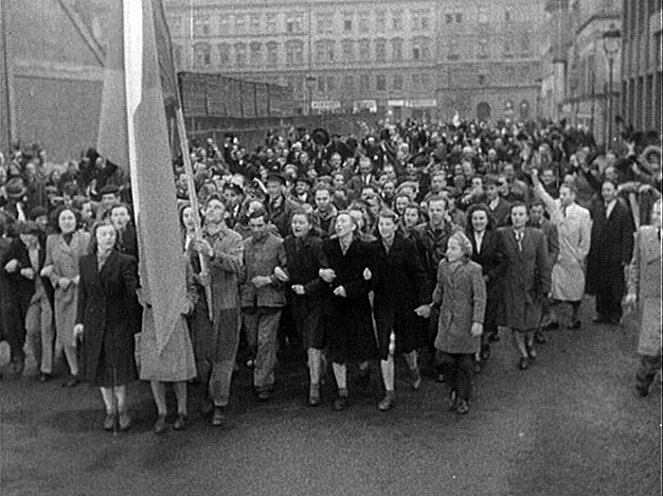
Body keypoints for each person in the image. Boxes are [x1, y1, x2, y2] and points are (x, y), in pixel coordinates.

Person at [74, 219, 139, 431]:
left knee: (118, 369)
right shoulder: (85, 262)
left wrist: (134, 326)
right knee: (101, 368)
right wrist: (79, 322)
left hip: (117, 322)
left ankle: (122, 409)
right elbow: (83, 294)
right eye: (103, 234)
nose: (108, 238)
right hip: (93, 323)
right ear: (96, 238)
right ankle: (109, 411)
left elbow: (131, 294)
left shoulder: (125, 261)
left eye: (111, 234)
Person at [417, 231, 486, 415]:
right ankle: (453, 389)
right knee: (446, 360)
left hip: (466, 320)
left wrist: (478, 321)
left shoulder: (474, 269)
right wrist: (431, 305)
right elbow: (439, 288)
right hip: (447, 319)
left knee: (464, 364)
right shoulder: (443, 266)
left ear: (464, 251)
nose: (449, 251)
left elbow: (480, 298)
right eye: (448, 247)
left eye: (454, 248)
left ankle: (463, 398)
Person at [191, 197, 244, 426]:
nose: (212, 211)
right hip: (204, 305)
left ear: (225, 213)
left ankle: (220, 403)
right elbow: (188, 269)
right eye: (209, 207)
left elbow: (237, 266)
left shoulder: (234, 238)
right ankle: (206, 394)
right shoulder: (196, 239)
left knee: (224, 357)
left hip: (227, 304)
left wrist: (213, 255)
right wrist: (198, 278)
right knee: (203, 357)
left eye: (217, 207)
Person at [371, 209, 429, 411]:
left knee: (407, 346)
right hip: (383, 305)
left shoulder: (406, 246)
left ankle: (414, 370)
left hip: (405, 304)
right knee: (386, 348)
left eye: (388, 224)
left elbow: (419, 275)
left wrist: (424, 302)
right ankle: (389, 392)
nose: (384, 228)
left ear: (395, 226)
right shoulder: (374, 248)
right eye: (381, 224)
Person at [320, 211, 377, 411]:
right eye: (337, 221)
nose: (339, 225)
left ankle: (364, 370)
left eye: (344, 221)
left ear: (354, 226)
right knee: (337, 350)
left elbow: (370, 281)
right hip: (335, 305)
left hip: (357, 305)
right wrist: (322, 272)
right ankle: (342, 392)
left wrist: (349, 289)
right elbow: (318, 265)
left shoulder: (366, 249)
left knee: (361, 350)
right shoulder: (328, 246)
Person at [138, 258, 197, 434]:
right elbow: (139, 289)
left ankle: (182, 411)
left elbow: (191, 288)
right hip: (153, 318)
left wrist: (188, 304)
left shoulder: (182, 260)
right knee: (155, 368)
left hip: (175, 317)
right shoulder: (145, 261)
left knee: (178, 366)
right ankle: (161, 412)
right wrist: (147, 298)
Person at [531, 171, 592, 330]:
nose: (562, 197)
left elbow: (585, 238)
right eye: (560, 194)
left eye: (565, 194)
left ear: (573, 195)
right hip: (557, 257)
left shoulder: (582, 213)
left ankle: (575, 317)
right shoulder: (554, 206)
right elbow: (542, 194)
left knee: (575, 291)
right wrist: (535, 177)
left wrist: (580, 255)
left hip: (573, 258)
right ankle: (552, 318)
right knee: (552, 290)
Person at [239, 208, 287, 402]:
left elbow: (287, 269)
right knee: (253, 341)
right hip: (249, 300)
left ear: (268, 224)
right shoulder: (245, 244)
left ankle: (262, 383)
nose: (257, 230)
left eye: (260, 225)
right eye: (253, 226)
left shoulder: (278, 244)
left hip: (271, 299)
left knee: (265, 340)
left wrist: (269, 279)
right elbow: (241, 271)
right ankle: (267, 367)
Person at [497, 202, 552, 370]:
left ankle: (530, 342)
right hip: (511, 286)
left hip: (531, 285)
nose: (517, 218)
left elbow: (543, 262)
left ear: (527, 217)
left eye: (521, 214)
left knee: (532, 320)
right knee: (516, 322)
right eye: (514, 214)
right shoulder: (502, 234)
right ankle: (523, 354)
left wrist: (546, 285)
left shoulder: (537, 235)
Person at [283, 209, 328, 406]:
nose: (297, 226)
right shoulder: (287, 243)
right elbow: (287, 266)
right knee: (307, 340)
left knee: (312, 342)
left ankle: (314, 386)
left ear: (309, 225)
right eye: (294, 222)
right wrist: (281, 272)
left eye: (301, 222)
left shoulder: (317, 244)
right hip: (297, 300)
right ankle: (320, 368)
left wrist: (307, 289)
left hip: (316, 299)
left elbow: (326, 274)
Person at [41, 207, 90, 386]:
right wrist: (57, 279)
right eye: (63, 219)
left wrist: (83, 276)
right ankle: (74, 372)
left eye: (70, 218)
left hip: (84, 291)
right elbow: (48, 265)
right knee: (66, 335)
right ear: (58, 222)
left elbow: (94, 260)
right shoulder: (51, 241)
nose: (67, 222)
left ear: (76, 220)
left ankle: (91, 369)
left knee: (86, 333)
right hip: (63, 293)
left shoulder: (85, 238)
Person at [1, 221, 53, 377]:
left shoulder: (46, 243)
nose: (28, 241)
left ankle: (46, 368)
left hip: (47, 290)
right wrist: (19, 269)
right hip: (30, 294)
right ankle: (38, 362)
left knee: (47, 329)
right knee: (32, 329)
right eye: (24, 237)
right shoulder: (16, 245)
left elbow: (54, 261)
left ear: (37, 235)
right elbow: (4, 267)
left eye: (31, 237)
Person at [625, 199, 662, 397]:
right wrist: (631, 290)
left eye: (660, 213)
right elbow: (635, 264)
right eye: (654, 212)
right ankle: (643, 382)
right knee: (650, 348)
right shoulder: (644, 234)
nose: (655, 216)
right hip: (651, 300)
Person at [586, 180, 635, 324]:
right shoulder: (598, 208)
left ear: (615, 192)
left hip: (615, 254)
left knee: (615, 285)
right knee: (601, 283)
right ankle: (601, 312)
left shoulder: (623, 210)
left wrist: (625, 256)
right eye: (604, 190)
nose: (606, 193)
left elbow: (627, 235)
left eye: (609, 190)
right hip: (600, 254)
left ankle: (615, 313)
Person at [465, 203, 503, 370]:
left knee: (488, 316)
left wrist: (489, 276)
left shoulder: (495, 236)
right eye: (475, 218)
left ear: (487, 220)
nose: (478, 222)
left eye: (481, 218)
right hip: (469, 284)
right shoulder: (464, 236)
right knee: (472, 316)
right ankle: (475, 353)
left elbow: (504, 260)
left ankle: (484, 344)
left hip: (490, 283)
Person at [527, 199, 559, 344]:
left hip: (543, 269)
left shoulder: (550, 227)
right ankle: (531, 330)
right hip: (528, 269)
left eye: (539, 212)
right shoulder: (526, 226)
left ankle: (538, 328)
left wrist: (547, 264)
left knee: (542, 300)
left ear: (543, 211)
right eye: (533, 212)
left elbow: (554, 249)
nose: (536, 215)